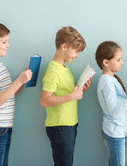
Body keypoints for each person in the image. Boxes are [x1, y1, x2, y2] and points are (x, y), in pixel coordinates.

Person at [0, 21, 32, 166]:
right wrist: (19, 80)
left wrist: (22, 79)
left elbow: (9, 95)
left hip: (3, 126)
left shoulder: (0, 66)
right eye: (4, 42)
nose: (7, 45)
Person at [39, 26, 93, 166]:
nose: (77, 55)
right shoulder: (53, 71)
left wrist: (82, 90)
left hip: (68, 125)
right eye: (75, 51)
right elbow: (44, 100)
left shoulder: (64, 68)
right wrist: (71, 96)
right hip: (60, 127)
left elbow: (67, 95)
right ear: (64, 46)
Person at [95, 41, 127, 166]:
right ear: (106, 62)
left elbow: (119, 101)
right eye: (118, 60)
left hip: (117, 133)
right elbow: (114, 111)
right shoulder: (107, 82)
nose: (121, 62)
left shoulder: (111, 79)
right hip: (114, 134)